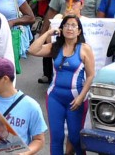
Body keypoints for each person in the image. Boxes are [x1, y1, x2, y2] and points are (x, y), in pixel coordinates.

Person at [29, 15, 95, 155]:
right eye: (66, 25)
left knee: (75, 138)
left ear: (79, 31)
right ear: (61, 28)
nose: (69, 28)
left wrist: (81, 97)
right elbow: (32, 50)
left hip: (75, 99)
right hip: (55, 97)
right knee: (56, 138)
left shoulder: (84, 49)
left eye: (73, 25)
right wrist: (48, 33)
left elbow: (91, 76)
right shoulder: (55, 47)